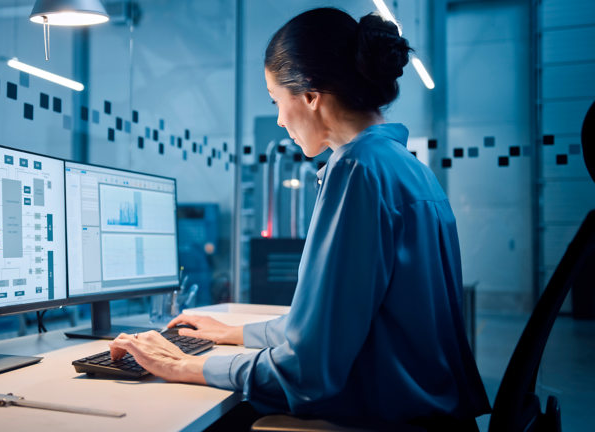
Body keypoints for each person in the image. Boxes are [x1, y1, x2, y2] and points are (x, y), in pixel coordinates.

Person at [109, 7, 491, 430]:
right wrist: (234, 333)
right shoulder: (407, 167)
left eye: (277, 100)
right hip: (429, 414)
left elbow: (308, 373)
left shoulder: (358, 173)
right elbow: (332, 328)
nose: (278, 119)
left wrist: (185, 366)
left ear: (310, 95)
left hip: (387, 419)